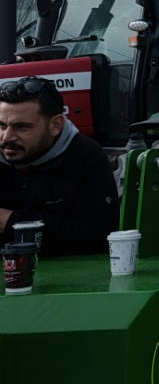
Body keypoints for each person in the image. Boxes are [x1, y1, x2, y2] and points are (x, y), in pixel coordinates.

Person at [0, 76, 117, 255]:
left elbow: (100, 235)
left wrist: (11, 221)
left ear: (55, 125)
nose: (7, 137)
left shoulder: (85, 157)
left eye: (22, 127)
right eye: (2, 126)